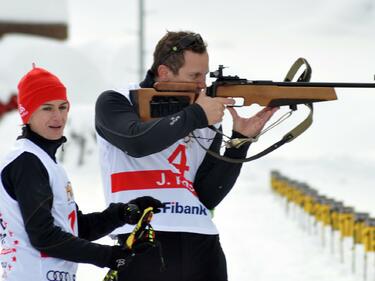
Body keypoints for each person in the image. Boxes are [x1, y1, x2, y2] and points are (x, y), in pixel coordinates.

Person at [95, 30, 278, 281]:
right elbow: (136, 141)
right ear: (163, 73)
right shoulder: (117, 100)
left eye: (205, 74)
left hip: (201, 243)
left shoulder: (205, 113)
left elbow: (207, 194)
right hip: (142, 240)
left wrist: (240, 142)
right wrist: (197, 115)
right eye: (195, 76)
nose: (203, 84)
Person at [0, 65, 163, 281]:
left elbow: (76, 228)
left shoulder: (46, 161)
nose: (58, 117)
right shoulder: (27, 162)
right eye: (47, 108)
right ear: (27, 114)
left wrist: (121, 214)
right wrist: (107, 256)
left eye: (62, 107)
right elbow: (43, 236)